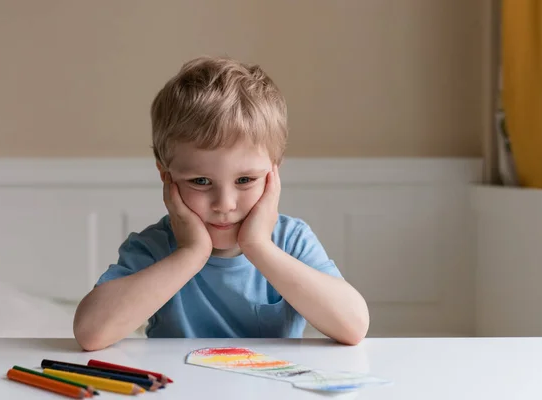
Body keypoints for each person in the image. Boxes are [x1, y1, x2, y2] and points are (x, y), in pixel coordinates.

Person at [73, 56, 369, 351]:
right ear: (167, 177)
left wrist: (258, 247)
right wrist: (192, 253)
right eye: (200, 181)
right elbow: (90, 333)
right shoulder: (155, 247)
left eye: (245, 180)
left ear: (273, 174)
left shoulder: (290, 240)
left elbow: (354, 326)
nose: (224, 204)